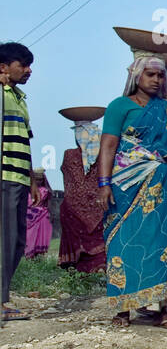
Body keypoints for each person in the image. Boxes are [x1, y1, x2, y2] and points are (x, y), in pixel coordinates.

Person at [97, 56, 167, 328]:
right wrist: (103, 184)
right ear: (136, 76)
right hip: (125, 185)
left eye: (160, 76)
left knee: (160, 243)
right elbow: (108, 145)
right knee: (122, 242)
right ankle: (122, 310)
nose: (156, 80)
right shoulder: (119, 106)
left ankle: (160, 309)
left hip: (161, 188)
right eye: (150, 74)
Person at [0, 42, 34, 321]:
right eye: (22, 65)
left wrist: (32, 180)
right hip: (5, 176)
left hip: (20, 178)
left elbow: (26, 141)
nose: (28, 70)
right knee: (5, 239)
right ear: (3, 68)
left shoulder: (20, 99)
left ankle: (4, 296)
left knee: (17, 241)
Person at [58, 117, 107, 273]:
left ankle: (80, 270)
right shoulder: (104, 157)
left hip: (73, 208)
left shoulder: (69, 154)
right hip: (100, 205)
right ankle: (99, 269)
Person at [24, 169, 53, 258]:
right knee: (29, 237)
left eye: (40, 179)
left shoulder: (45, 191)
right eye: (36, 179)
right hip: (29, 216)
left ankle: (38, 256)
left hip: (41, 215)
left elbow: (48, 204)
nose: (38, 181)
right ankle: (28, 255)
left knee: (39, 237)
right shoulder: (27, 190)